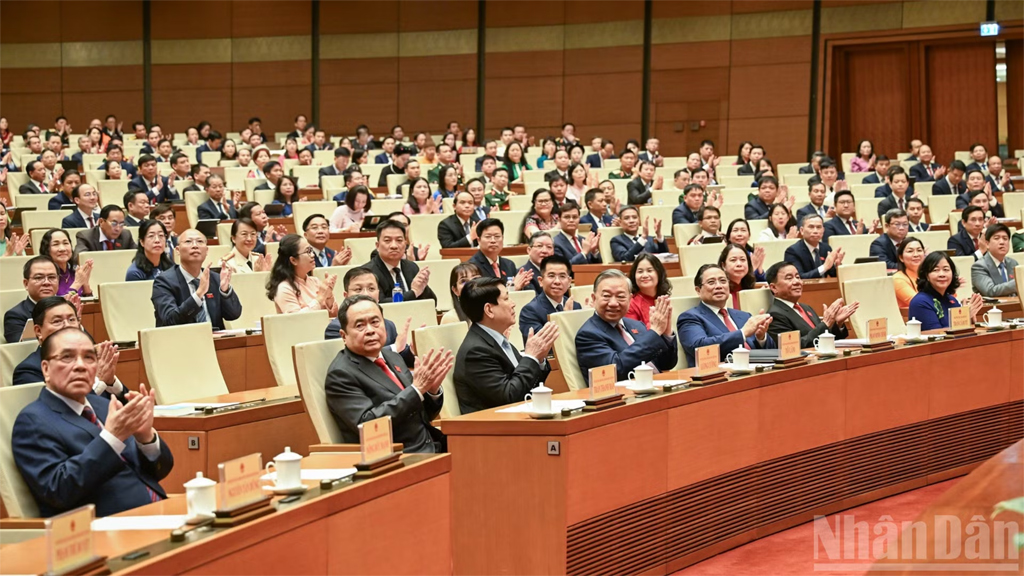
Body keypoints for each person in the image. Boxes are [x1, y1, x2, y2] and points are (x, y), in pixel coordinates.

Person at [13, 328, 172, 517]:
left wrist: (145, 438)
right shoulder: (32, 421)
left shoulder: (104, 405)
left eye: (89, 357)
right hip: (105, 529)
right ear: (46, 369)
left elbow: (159, 471)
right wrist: (111, 438)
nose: (80, 366)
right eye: (67, 357)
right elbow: (59, 491)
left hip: (157, 512)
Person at [324, 295, 450, 453]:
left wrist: (431, 392)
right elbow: (368, 425)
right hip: (398, 457)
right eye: (360, 325)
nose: (370, 330)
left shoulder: (393, 357)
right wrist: (416, 390)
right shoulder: (341, 374)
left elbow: (421, 414)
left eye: (375, 322)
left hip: (432, 445)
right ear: (344, 336)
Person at [452, 278, 556, 414]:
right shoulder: (476, 352)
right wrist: (531, 357)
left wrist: (539, 360)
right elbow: (509, 397)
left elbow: (527, 386)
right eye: (506, 299)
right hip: (493, 429)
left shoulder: (497, 340)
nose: (513, 304)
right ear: (489, 310)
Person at [576, 269, 678, 381]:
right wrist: (654, 332)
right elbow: (616, 370)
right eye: (606, 296)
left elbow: (666, 364)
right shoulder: (588, 334)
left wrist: (666, 333)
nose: (613, 303)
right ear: (594, 298)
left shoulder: (636, 325)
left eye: (620, 296)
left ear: (630, 299)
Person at [677, 264, 774, 365]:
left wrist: (761, 338)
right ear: (698, 290)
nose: (719, 286)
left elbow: (773, 352)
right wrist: (742, 333)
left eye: (723, 281)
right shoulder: (690, 317)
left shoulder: (744, 316)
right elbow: (699, 347)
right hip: (720, 376)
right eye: (711, 282)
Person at [152, 229, 242, 330]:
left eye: (200, 241)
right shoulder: (164, 281)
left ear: (207, 250)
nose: (195, 245)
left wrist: (225, 290)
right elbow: (170, 320)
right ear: (177, 250)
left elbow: (234, 314)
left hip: (215, 341)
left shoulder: (215, 278)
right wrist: (198, 294)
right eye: (188, 241)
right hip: (181, 341)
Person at [323, 268, 415, 365]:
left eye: (371, 289)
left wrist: (412, 350)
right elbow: (350, 363)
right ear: (346, 296)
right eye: (358, 289)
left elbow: (399, 357)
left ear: (378, 295)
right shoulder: (335, 328)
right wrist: (394, 348)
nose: (366, 294)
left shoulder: (388, 324)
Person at [766, 262, 855, 348]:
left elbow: (826, 339)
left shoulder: (806, 307)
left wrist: (837, 324)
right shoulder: (774, 315)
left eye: (798, 277)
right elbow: (794, 346)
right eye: (789, 278)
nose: (797, 281)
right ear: (774, 288)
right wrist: (826, 323)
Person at [265, 234, 338, 315]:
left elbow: (333, 315)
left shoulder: (315, 281)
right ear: (293, 260)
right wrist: (320, 298)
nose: (313, 255)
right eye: (308, 252)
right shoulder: (284, 288)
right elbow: (298, 320)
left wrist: (329, 295)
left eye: (311, 250)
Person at [368, 219, 437, 303]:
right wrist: (413, 292)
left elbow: (432, 301)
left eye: (399, 240)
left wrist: (423, 285)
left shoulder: (411, 267)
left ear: (405, 244)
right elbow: (380, 303)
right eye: (387, 240)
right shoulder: (368, 272)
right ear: (377, 246)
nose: (394, 246)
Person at [908, 252, 983, 330]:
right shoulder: (920, 302)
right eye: (935, 270)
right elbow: (936, 335)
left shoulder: (952, 300)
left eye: (946, 269)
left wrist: (969, 319)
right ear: (927, 275)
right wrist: (964, 317)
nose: (942, 274)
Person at [518, 255, 581, 342]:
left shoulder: (576, 306)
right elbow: (542, 344)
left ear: (569, 282)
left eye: (562, 276)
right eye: (551, 276)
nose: (557, 281)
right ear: (540, 281)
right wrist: (565, 317)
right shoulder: (530, 311)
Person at [4, 257, 62, 343]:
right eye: (39, 278)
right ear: (26, 284)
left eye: (52, 277)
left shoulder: (66, 309)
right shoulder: (15, 316)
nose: (46, 282)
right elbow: (21, 351)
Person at [468, 218, 527, 287]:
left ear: (503, 238)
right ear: (478, 240)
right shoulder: (472, 266)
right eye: (488, 237)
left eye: (497, 236)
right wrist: (512, 288)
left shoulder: (509, 265)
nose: (493, 240)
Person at [784, 214, 845, 278]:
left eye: (819, 227)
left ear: (823, 230)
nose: (815, 231)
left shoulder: (826, 248)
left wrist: (837, 266)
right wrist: (824, 267)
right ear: (802, 230)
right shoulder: (792, 251)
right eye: (811, 227)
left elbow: (833, 275)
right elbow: (798, 277)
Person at [971, 224, 1019, 297]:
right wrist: (1018, 283)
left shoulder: (1013, 263)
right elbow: (990, 291)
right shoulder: (979, 266)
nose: (1002, 242)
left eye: (1005, 238)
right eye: (996, 238)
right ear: (987, 244)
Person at [72, 205, 137, 258]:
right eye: (114, 223)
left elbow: (138, 255)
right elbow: (79, 258)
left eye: (121, 224)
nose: (118, 228)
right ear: (101, 222)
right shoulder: (86, 236)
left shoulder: (125, 235)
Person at [625, 253, 671, 327]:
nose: (645, 275)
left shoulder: (664, 299)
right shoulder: (630, 303)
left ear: (659, 273)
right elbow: (634, 334)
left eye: (649, 271)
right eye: (640, 271)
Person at [553, 201, 601, 266]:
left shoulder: (583, 240)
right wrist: (583, 252)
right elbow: (563, 268)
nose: (571, 220)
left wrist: (594, 252)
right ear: (559, 220)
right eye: (567, 217)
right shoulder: (555, 243)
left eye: (575, 217)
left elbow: (595, 266)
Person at [719, 243, 756, 309]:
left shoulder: (752, 289)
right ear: (723, 265)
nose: (739, 264)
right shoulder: (720, 291)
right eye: (733, 260)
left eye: (743, 260)